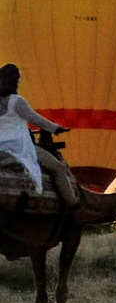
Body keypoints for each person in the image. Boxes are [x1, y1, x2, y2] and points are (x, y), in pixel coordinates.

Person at [0, 64, 79, 207]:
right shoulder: (16, 101)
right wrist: (55, 128)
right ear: (15, 81)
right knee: (58, 168)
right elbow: (35, 119)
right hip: (19, 146)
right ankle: (73, 205)